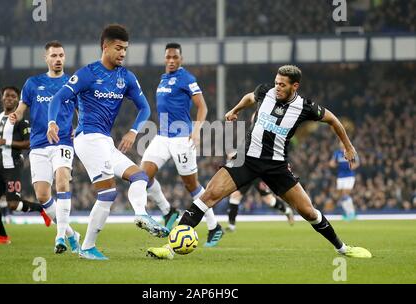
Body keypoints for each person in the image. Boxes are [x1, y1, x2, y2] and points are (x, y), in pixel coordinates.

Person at [147, 65, 372, 259]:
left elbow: (332, 119)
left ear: (295, 86)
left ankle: (342, 248)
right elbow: (248, 97)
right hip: (246, 159)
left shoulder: (306, 107)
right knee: (208, 196)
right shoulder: (266, 91)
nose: (277, 87)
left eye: (283, 85)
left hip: (276, 166)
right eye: (276, 83)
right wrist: (234, 110)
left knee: (308, 212)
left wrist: (348, 145)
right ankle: (169, 248)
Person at [47, 24, 169, 260]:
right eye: (118, 48)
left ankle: (141, 214)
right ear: (105, 47)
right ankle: (88, 247)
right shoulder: (87, 73)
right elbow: (59, 97)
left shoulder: (126, 77)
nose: (123, 53)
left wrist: (134, 131)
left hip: (105, 141)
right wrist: (52, 122)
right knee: (108, 193)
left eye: (125, 49)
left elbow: (144, 107)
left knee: (140, 176)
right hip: (88, 138)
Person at [141, 42, 224, 247]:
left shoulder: (187, 78)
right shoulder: (163, 79)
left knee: (191, 185)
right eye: (168, 57)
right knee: (143, 176)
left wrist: (196, 131)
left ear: (181, 59)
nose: (171, 61)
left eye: (175, 57)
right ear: (164, 59)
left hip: (182, 138)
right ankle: (168, 211)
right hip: (162, 136)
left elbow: (202, 107)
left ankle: (214, 226)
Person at [9, 41, 80, 254]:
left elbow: (82, 110)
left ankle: (59, 236)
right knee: (42, 196)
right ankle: (71, 234)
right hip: (39, 144)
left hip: (63, 142)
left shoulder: (72, 83)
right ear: (46, 58)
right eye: (54, 55)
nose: (58, 59)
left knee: (62, 180)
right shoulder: (33, 83)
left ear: (64, 58)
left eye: (61, 55)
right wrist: (16, 115)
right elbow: (22, 109)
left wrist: (81, 127)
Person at [0, 86, 51, 245]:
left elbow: (29, 143)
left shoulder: (21, 121)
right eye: (7, 96)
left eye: (13, 96)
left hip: (12, 166)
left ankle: (41, 209)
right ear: (2, 98)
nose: (9, 98)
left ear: (18, 100)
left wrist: (8, 142)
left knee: (13, 205)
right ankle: (3, 237)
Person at [226, 177, 294, 232]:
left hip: (259, 174)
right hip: (247, 173)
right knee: (235, 196)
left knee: (270, 201)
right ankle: (231, 226)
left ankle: (287, 211)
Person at [329, 141, 360, 221]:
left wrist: (353, 166)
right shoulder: (337, 153)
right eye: (340, 143)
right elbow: (332, 162)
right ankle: (348, 213)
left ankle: (351, 213)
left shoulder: (351, 151)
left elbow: (357, 162)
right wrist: (332, 164)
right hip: (340, 177)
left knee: (345, 193)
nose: (341, 144)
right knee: (341, 196)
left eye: (343, 143)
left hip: (349, 176)